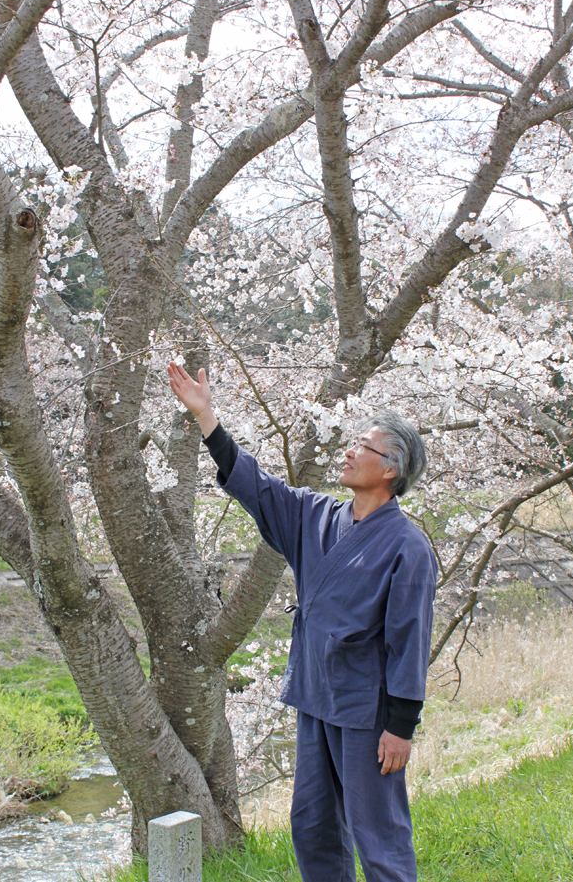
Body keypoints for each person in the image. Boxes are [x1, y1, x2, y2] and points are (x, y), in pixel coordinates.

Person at [167, 362, 437, 882]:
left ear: (390, 471)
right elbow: (258, 488)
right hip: (315, 694)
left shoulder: (408, 546)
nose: (350, 451)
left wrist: (401, 726)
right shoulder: (316, 517)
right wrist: (207, 417)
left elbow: (409, 640)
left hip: (366, 708)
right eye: (353, 442)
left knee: (376, 831)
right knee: (312, 824)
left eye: (364, 447)